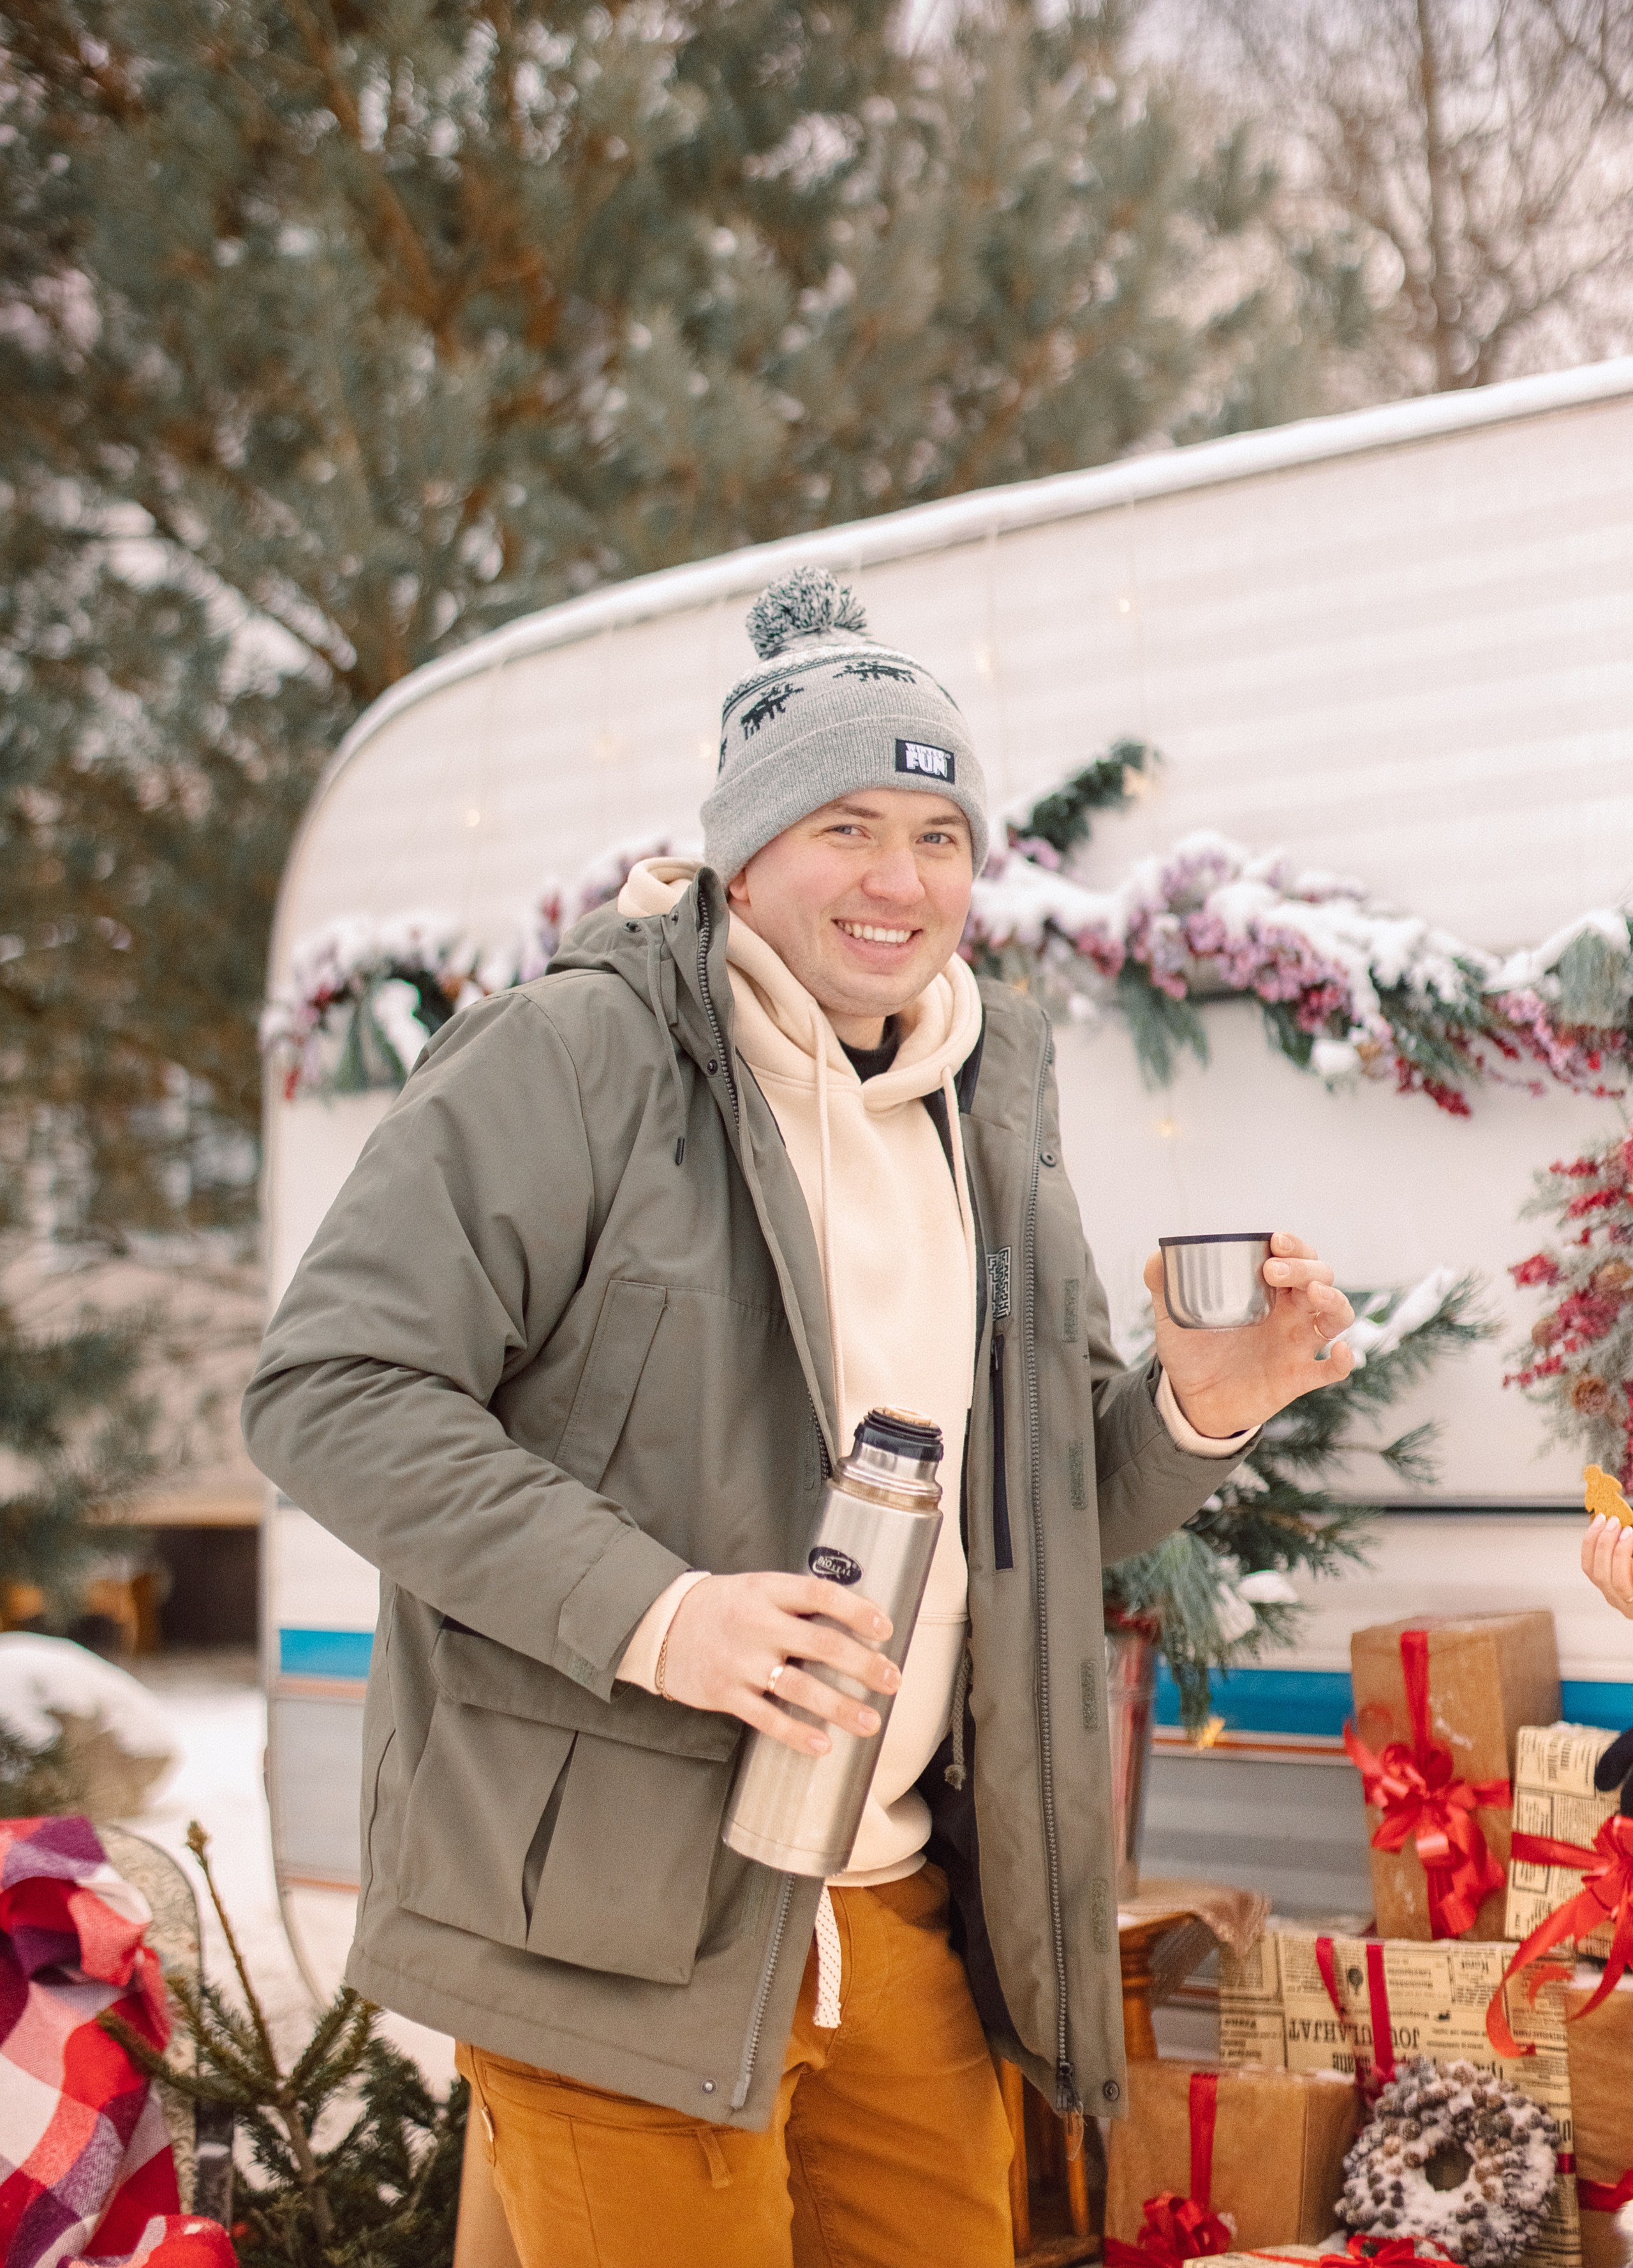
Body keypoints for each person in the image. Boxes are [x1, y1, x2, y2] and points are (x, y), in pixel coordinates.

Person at [242, 567, 1357, 2268]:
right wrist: (659, 1614)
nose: (897, 882)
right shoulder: (582, 1059)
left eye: (938, 835)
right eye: (846, 824)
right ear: (746, 846)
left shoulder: (983, 1102)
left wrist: (1205, 1406)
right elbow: (330, 1391)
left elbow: (1047, 1512)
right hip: (616, 1921)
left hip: (895, 1895)